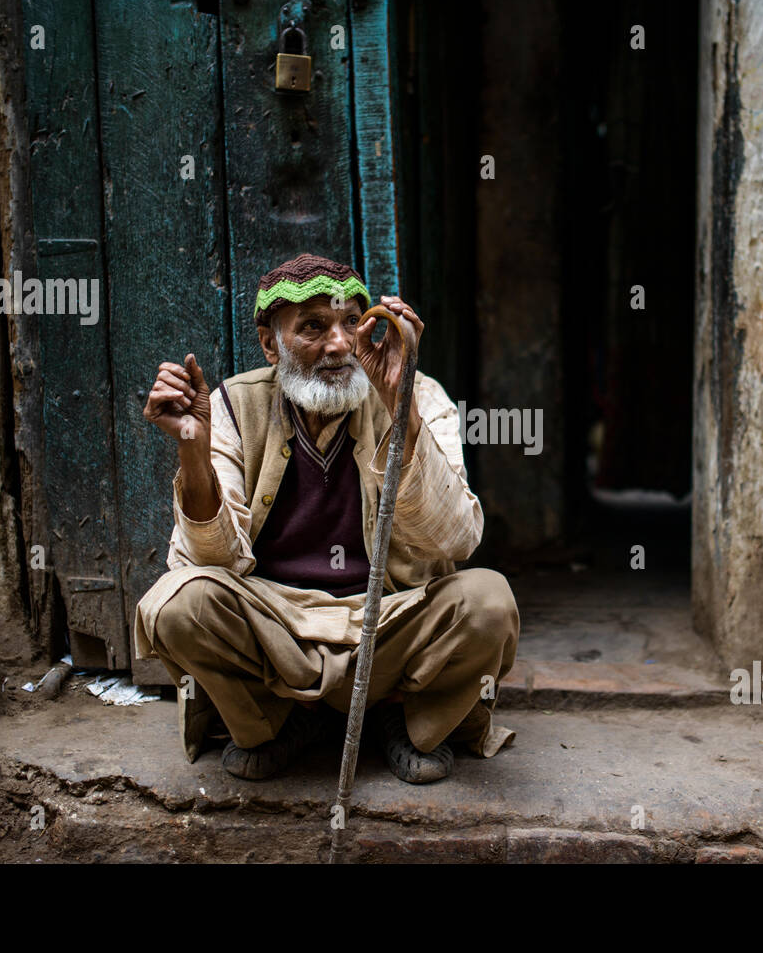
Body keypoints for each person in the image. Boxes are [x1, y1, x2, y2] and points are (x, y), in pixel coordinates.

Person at [133, 252, 518, 784]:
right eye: (314, 327)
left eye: (350, 325)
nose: (340, 345)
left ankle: (402, 719)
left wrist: (400, 407)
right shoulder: (231, 405)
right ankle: (281, 721)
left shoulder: (418, 395)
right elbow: (211, 560)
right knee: (178, 605)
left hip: (388, 623)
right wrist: (192, 451)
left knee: (488, 602)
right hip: (278, 627)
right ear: (271, 343)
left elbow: (456, 539)